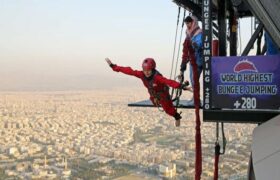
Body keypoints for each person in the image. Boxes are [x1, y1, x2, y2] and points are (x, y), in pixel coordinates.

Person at [105, 57, 190, 127]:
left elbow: (168, 81)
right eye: (145, 70)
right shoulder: (141, 74)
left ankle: (177, 116)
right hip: (153, 94)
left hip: (162, 93)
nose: (146, 73)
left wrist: (181, 86)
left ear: (153, 69)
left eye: (149, 70)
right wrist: (114, 67)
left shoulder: (157, 77)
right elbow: (129, 71)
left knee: (167, 109)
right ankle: (160, 102)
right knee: (155, 101)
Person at [179, 15, 203, 105]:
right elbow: (186, 48)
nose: (187, 25)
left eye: (189, 23)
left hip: (199, 59)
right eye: (186, 23)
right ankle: (196, 99)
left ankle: (196, 100)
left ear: (193, 22)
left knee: (194, 79)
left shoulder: (199, 33)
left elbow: (200, 45)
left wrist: (193, 44)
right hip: (193, 60)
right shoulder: (188, 33)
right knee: (193, 80)